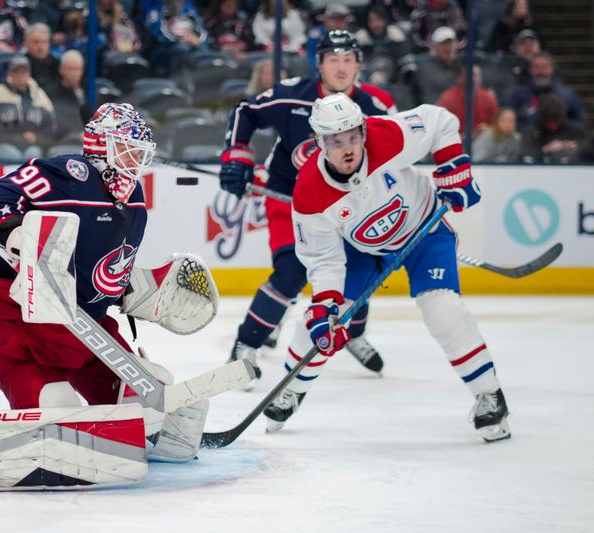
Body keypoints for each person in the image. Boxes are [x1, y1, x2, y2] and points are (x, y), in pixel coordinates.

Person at [0, 103, 226, 493]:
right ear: (100, 146)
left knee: (149, 393)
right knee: (55, 405)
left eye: (139, 150)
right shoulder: (65, 174)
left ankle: (143, 440)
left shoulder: (136, 200)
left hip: (85, 331)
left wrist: (136, 293)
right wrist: (12, 231)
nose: (136, 159)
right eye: (126, 147)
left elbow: (106, 270)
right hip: (17, 323)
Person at [263, 93, 510, 444]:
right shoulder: (309, 193)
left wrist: (453, 165)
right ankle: (291, 388)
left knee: (441, 308)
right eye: (335, 141)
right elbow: (324, 260)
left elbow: (439, 121)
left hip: (423, 228)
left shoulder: (387, 135)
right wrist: (327, 302)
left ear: (363, 131)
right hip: (362, 248)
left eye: (352, 136)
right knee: (321, 319)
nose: (347, 148)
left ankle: (489, 393)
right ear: (319, 142)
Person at [219, 30, 389, 389]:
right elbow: (245, 111)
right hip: (290, 199)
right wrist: (237, 155)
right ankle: (244, 345)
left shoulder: (376, 106)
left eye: (348, 60)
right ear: (319, 63)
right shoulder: (293, 96)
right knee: (292, 270)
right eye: (333, 60)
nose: (341, 68)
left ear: (359, 63)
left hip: (347, 206)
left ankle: (353, 333)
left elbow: (395, 158)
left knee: (359, 268)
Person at [435, 63, 499, 137]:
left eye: (477, 76)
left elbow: (498, 125)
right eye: (471, 75)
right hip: (455, 141)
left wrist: (488, 129)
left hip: (482, 142)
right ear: (459, 78)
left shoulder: (488, 97)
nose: (474, 79)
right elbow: (439, 127)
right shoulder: (447, 98)